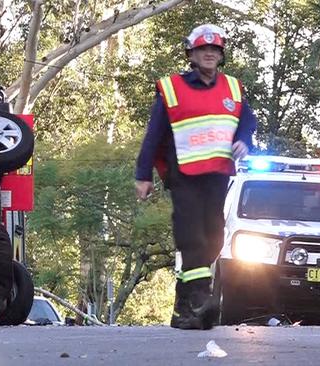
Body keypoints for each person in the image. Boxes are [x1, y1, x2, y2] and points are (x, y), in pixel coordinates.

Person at [135, 24, 257, 330]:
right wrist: (143, 174)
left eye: (215, 50)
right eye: (204, 50)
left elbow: (248, 120)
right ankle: (201, 298)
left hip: (217, 175)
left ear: (221, 56)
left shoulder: (232, 88)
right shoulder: (172, 88)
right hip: (184, 174)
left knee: (214, 237)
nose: (209, 54)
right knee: (192, 237)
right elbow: (153, 135)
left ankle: (183, 310)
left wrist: (245, 139)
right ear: (191, 54)